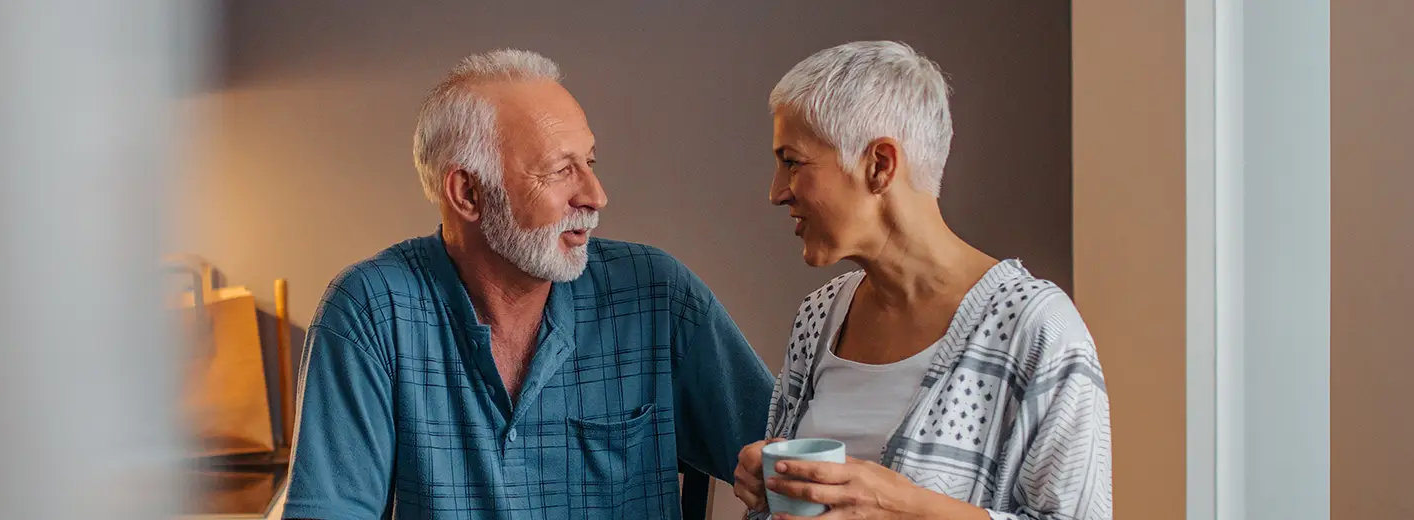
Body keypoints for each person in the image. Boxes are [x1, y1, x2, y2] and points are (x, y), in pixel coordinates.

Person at [283, 49, 775, 520]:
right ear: (468, 193)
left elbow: (792, 463)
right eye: (561, 170)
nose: (595, 195)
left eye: (590, 162)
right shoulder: (370, 311)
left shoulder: (656, 295)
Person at [729, 41, 1114, 520]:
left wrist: (900, 507)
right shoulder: (819, 316)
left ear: (880, 165)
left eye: (792, 161)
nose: (776, 192)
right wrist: (771, 484)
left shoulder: (1036, 329)